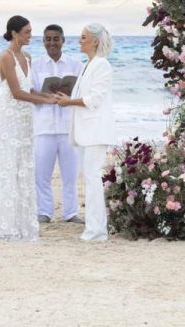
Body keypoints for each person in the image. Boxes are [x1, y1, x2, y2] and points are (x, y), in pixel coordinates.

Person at [0, 16, 57, 241]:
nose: (30, 36)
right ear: (14, 33)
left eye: (30, 31)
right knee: (7, 166)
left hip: (25, 118)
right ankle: (2, 224)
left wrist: (48, 95)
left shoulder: (27, 57)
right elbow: (17, 92)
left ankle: (20, 222)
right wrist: (43, 101)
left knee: (22, 166)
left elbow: (29, 89)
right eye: (27, 32)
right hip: (9, 117)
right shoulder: (6, 57)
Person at [55, 23, 116, 242]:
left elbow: (94, 100)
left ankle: (97, 231)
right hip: (85, 132)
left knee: (92, 180)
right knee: (89, 180)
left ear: (95, 41)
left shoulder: (102, 65)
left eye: (83, 37)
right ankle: (93, 228)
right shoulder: (86, 65)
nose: (79, 40)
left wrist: (69, 101)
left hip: (96, 131)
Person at [31, 24, 83, 224]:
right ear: (43, 41)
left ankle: (70, 213)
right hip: (43, 125)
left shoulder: (76, 65)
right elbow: (29, 92)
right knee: (41, 174)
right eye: (48, 39)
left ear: (63, 40)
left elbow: (81, 93)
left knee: (70, 174)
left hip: (68, 125)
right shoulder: (34, 65)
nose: (52, 42)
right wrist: (47, 96)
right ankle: (44, 211)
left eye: (56, 39)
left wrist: (67, 96)